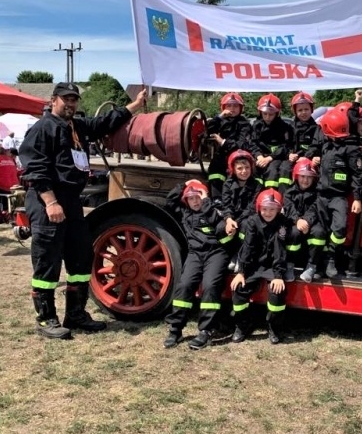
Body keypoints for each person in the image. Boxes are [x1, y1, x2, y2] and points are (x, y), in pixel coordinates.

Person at [19, 82, 147, 339]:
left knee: (80, 258)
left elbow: (104, 122)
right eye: (66, 99)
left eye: (74, 99)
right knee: (47, 262)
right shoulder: (43, 128)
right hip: (48, 201)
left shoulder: (77, 126)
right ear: (53, 100)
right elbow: (35, 169)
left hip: (72, 202)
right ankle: (46, 319)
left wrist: (134, 105)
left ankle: (75, 314)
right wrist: (51, 202)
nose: (71, 103)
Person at [162, 180, 229, 350]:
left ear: (205, 197)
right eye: (190, 198)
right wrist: (184, 184)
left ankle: (206, 330)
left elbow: (217, 221)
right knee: (184, 285)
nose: (195, 201)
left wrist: (206, 202)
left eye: (198, 197)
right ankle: (176, 329)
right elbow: (170, 201)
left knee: (210, 286)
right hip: (195, 254)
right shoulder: (184, 212)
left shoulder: (215, 209)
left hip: (216, 252)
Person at [230, 189, 292, 344]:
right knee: (238, 288)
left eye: (272, 209)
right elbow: (248, 247)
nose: (268, 213)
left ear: (278, 209)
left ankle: (274, 327)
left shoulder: (282, 223)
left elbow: (279, 251)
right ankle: (243, 325)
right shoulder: (252, 221)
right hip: (254, 265)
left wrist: (278, 276)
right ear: (258, 208)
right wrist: (241, 271)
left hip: (272, 266)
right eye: (264, 209)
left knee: (277, 292)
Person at [316, 104, 362, 278]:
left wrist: (357, 198)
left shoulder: (351, 150)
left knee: (340, 227)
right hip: (322, 195)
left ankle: (331, 256)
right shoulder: (326, 145)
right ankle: (317, 263)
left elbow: (357, 175)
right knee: (320, 230)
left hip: (338, 196)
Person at [284, 158, 327, 283]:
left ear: (314, 179)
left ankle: (311, 267)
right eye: (302, 176)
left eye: (309, 177)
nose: (305, 180)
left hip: (311, 223)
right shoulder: (289, 192)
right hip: (294, 223)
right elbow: (288, 209)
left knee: (319, 232)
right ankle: (289, 266)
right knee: (293, 233)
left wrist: (306, 221)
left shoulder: (317, 193)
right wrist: (297, 220)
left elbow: (315, 209)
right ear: (296, 176)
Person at [203, 92, 252, 200]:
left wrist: (223, 142)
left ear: (240, 108)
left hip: (237, 157)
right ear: (223, 107)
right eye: (229, 105)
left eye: (235, 106)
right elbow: (207, 131)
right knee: (215, 171)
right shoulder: (220, 121)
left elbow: (241, 145)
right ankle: (216, 200)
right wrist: (219, 117)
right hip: (221, 156)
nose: (232, 108)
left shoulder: (244, 124)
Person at [220, 149, 263, 270]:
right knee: (220, 228)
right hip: (232, 217)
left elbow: (252, 207)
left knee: (245, 226)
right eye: (240, 168)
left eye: (247, 167)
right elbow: (226, 205)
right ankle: (227, 254)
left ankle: (241, 255)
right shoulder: (227, 184)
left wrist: (236, 222)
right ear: (233, 169)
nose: (244, 171)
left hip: (247, 217)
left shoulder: (257, 184)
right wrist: (229, 220)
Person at [249, 93, 294, 192]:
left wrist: (270, 158)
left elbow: (286, 146)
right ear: (260, 112)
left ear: (277, 113)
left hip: (277, 158)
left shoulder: (284, 127)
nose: (267, 117)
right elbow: (252, 143)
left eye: (271, 114)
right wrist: (259, 156)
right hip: (260, 158)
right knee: (253, 170)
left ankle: (274, 195)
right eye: (265, 114)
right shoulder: (256, 126)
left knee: (272, 171)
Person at [282, 91, 324, 186]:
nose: (303, 112)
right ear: (295, 111)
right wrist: (289, 154)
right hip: (294, 160)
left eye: (306, 109)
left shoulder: (317, 128)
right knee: (284, 168)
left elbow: (316, 145)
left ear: (311, 109)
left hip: (311, 160)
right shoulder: (290, 128)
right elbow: (286, 144)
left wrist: (307, 157)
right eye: (300, 110)